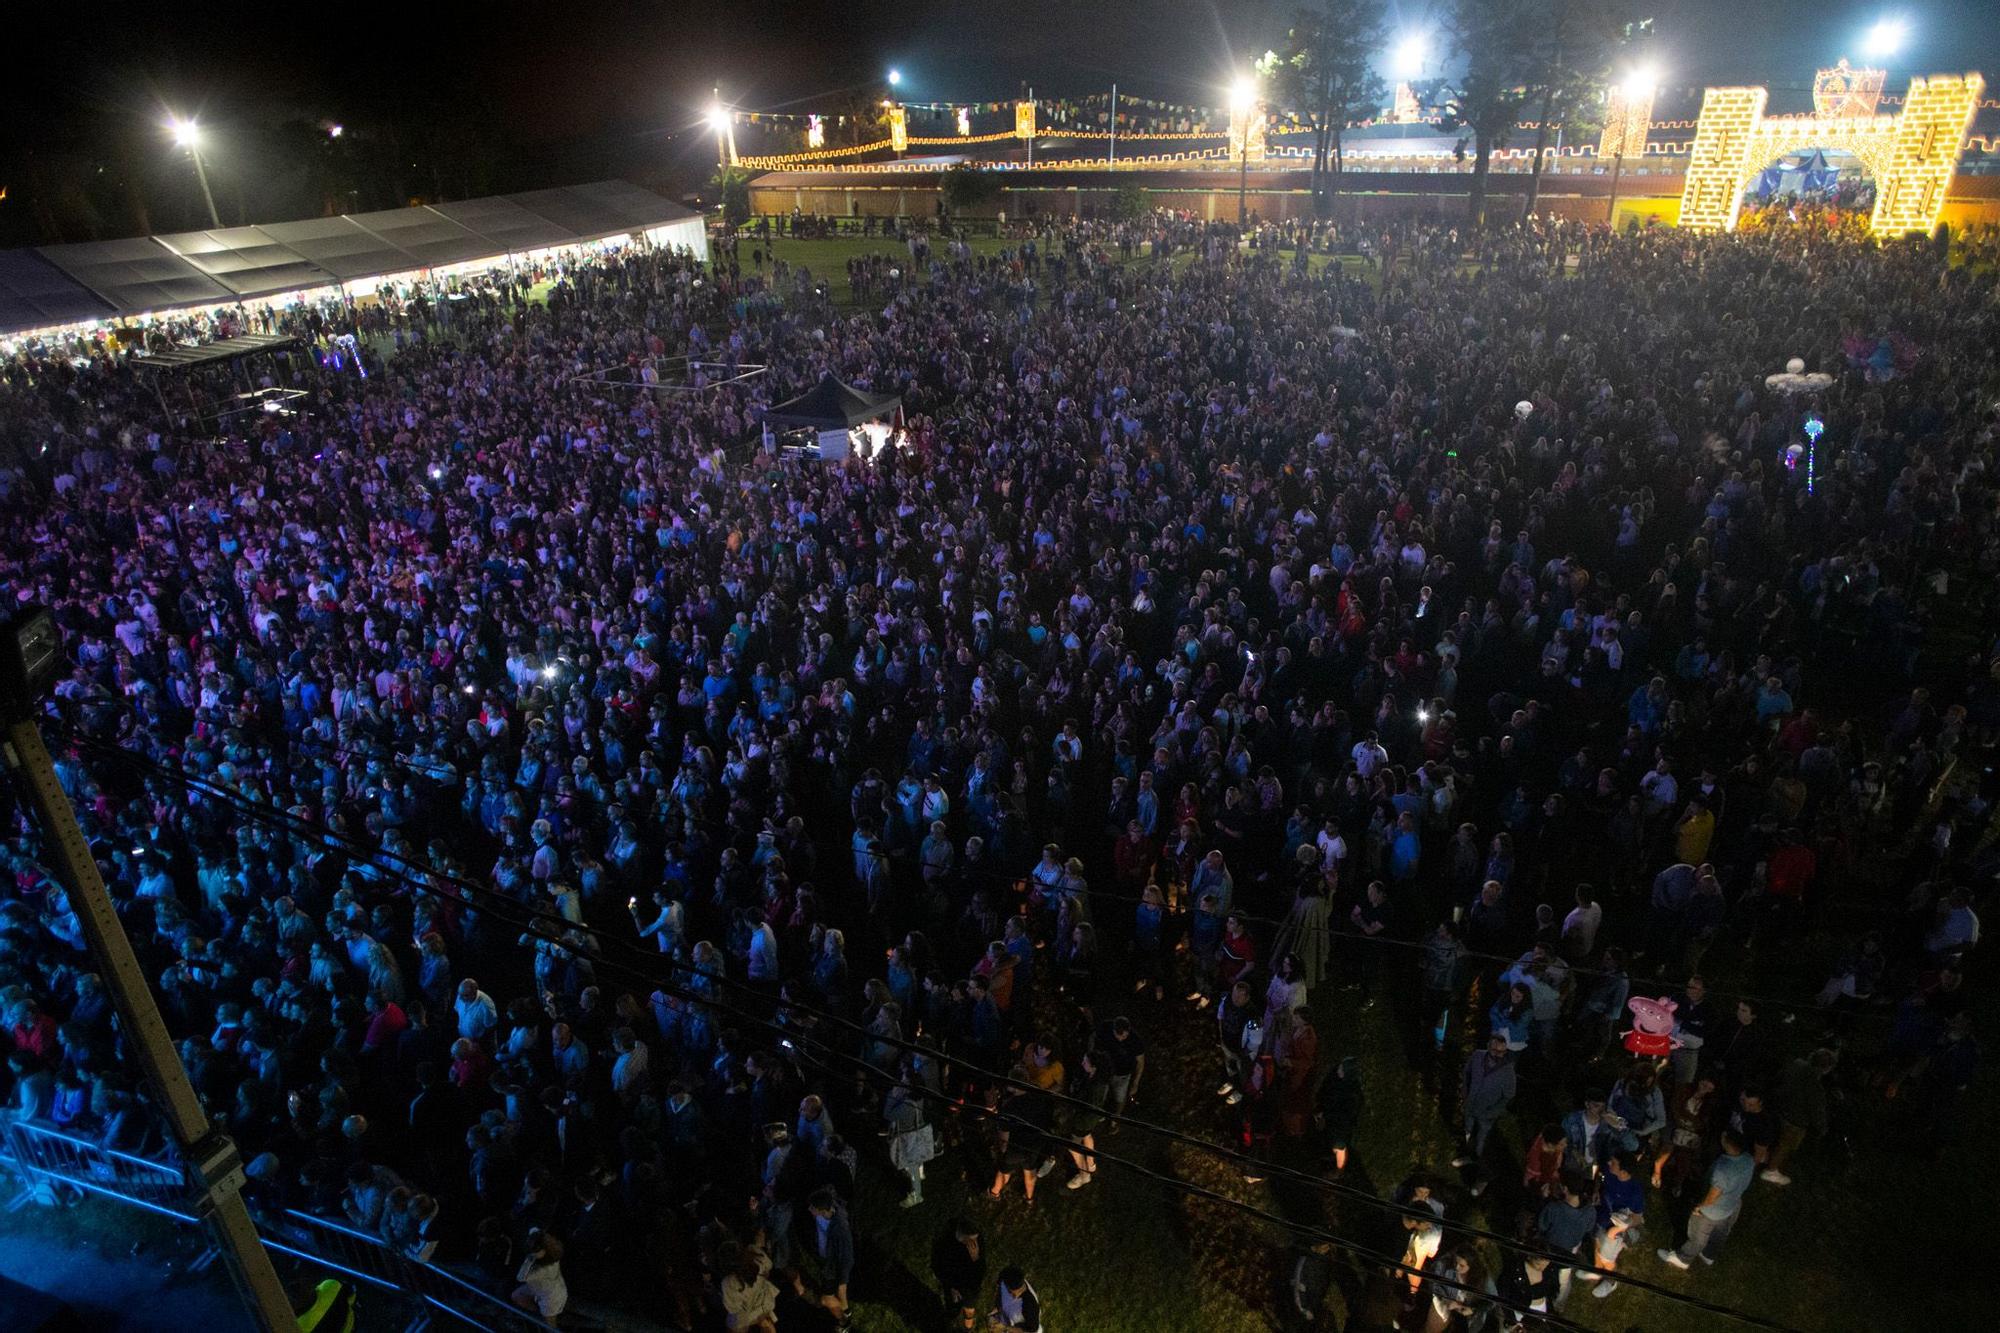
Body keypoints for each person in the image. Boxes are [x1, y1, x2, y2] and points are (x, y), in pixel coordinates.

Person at [1658, 1128, 1754, 1270]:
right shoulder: (1748, 1159)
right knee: (1720, 1233)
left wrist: (1699, 1207)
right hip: (1732, 1205)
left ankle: (1682, 1258)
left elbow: (1712, 1197)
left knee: (1698, 1237)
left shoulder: (1723, 1169)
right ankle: (1709, 1255)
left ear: (1727, 1143)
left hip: (1712, 1211)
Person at [1455, 1033, 1517, 1166]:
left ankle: (1479, 1160)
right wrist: (1465, 1093)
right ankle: (1469, 1155)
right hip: (1470, 1106)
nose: (1497, 1054)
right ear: (1488, 1047)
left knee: (1482, 1138)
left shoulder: (1508, 1072)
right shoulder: (1477, 1055)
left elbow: (1508, 1096)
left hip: (1487, 1113)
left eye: (1501, 1051)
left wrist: (1492, 1112)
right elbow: (1467, 1072)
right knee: (1469, 1131)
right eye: (1494, 1050)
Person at [1590, 1151, 1646, 1298]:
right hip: (1602, 1216)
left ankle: (1610, 1281)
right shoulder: (1609, 1173)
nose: (1609, 1163)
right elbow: (1600, 1175)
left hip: (1616, 1229)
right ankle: (1597, 1271)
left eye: (1613, 1163)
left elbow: (1638, 1218)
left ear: (1623, 1172)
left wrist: (1619, 1228)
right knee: (1596, 1241)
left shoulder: (1635, 1191)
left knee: (1607, 1258)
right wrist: (1596, 1190)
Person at [932, 1217, 987, 1333]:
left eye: (975, 1239)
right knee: (953, 1306)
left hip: (970, 1284)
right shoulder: (945, 1244)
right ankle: (950, 1323)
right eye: (970, 1240)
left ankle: (968, 1328)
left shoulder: (976, 1242)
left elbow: (980, 1272)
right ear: (961, 1237)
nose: (974, 1243)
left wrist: (976, 1258)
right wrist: (951, 1287)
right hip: (953, 1283)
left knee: (970, 1304)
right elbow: (938, 1268)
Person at [509, 1230, 567, 1321]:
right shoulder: (552, 1252)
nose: (532, 1251)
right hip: (540, 1287)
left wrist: (530, 1258)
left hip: (550, 1297)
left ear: (544, 1251)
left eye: (535, 1250)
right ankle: (539, 1315)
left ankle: (545, 1318)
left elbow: (521, 1277)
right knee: (516, 1296)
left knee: (550, 1326)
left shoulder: (543, 1269)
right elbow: (534, 1230)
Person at [991, 1265, 1043, 1331]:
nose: (1014, 1296)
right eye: (1010, 1292)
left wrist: (1004, 1327)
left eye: (1017, 1292)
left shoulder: (1030, 1305)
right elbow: (1000, 1284)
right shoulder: (1008, 1278)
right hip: (1009, 1319)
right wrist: (997, 1307)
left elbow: (1032, 1328)